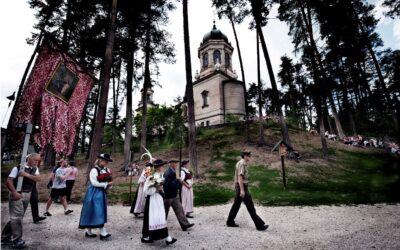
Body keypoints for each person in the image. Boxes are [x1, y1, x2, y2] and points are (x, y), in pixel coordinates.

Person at [1, 153, 42, 248]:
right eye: (35, 160)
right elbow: (9, 181)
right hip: (17, 193)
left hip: (28, 194)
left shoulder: (35, 169)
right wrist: (14, 192)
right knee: (17, 217)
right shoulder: (18, 167)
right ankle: (16, 239)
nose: (37, 162)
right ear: (29, 159)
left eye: (38, 161)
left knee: (17, 217)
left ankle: (4, 238)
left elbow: (39, 179)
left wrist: (26, 175)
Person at [226, 151, 269, 231]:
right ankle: (259, 225)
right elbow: (240, 177)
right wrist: (242, 190)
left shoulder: (239, 162)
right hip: (242, 187)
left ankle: (230, 221)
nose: (250, 157)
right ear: (245, 156)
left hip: (239, 186)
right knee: (250, 207)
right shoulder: (242, 164)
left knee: (236, 205)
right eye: (249, 155)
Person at [141, 159, 177, 245]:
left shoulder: (160, 175)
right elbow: (146, 191)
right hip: (153, 200)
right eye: (161, 166)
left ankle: (149, 236)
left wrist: (161, 189)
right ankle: (165, 237)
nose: (162, 167)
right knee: (155, 218)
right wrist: (156, 189)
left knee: (158, 217)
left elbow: (160, 186)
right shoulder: (151, 176)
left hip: (158, 200)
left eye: (162, 165)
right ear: (157, 167)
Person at [79, 153, 113, 240]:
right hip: (93, 192)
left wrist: (109, 185)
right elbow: (94, 183)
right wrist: (106, 184)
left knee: (97, 210)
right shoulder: (94, 170)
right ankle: (102, 232)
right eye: (105, 161)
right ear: (100, 160)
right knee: (95, 210)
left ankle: (89, 231)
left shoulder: (107, 170)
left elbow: (109, 180)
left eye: (107, 162)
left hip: (101, 192)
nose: (106, 163)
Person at [163, 160, 194, 231]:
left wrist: (176, 181)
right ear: (171, 164)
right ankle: (160, 226)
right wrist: (177, 182)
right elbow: (167, 184)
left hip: (174, 195)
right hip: (168, 195)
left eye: (176, 163)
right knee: (165, 211)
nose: (176, 165)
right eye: (174, 163)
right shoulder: (168, 172)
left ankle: (185, 224)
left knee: (179, 209)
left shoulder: (172, 171)